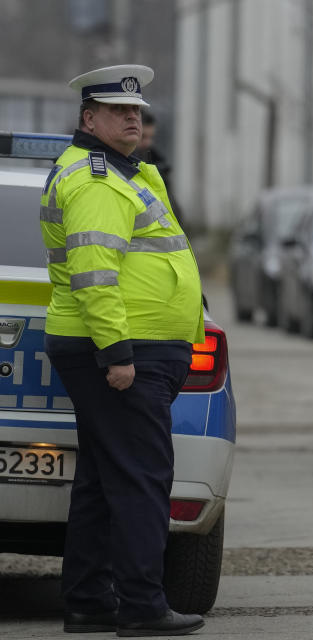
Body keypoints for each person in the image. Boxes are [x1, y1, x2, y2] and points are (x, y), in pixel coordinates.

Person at [39, 65, 205, 636]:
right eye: (118, 111)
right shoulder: (95, 182)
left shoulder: (123, 174)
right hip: (120, 347)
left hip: (131, 345)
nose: (133, 118)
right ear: (90, 118)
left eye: (137, 111)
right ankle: (141, 605)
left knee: (104, 476)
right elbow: (93, 274)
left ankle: (88, 599)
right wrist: (116, 353)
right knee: (142, 476)